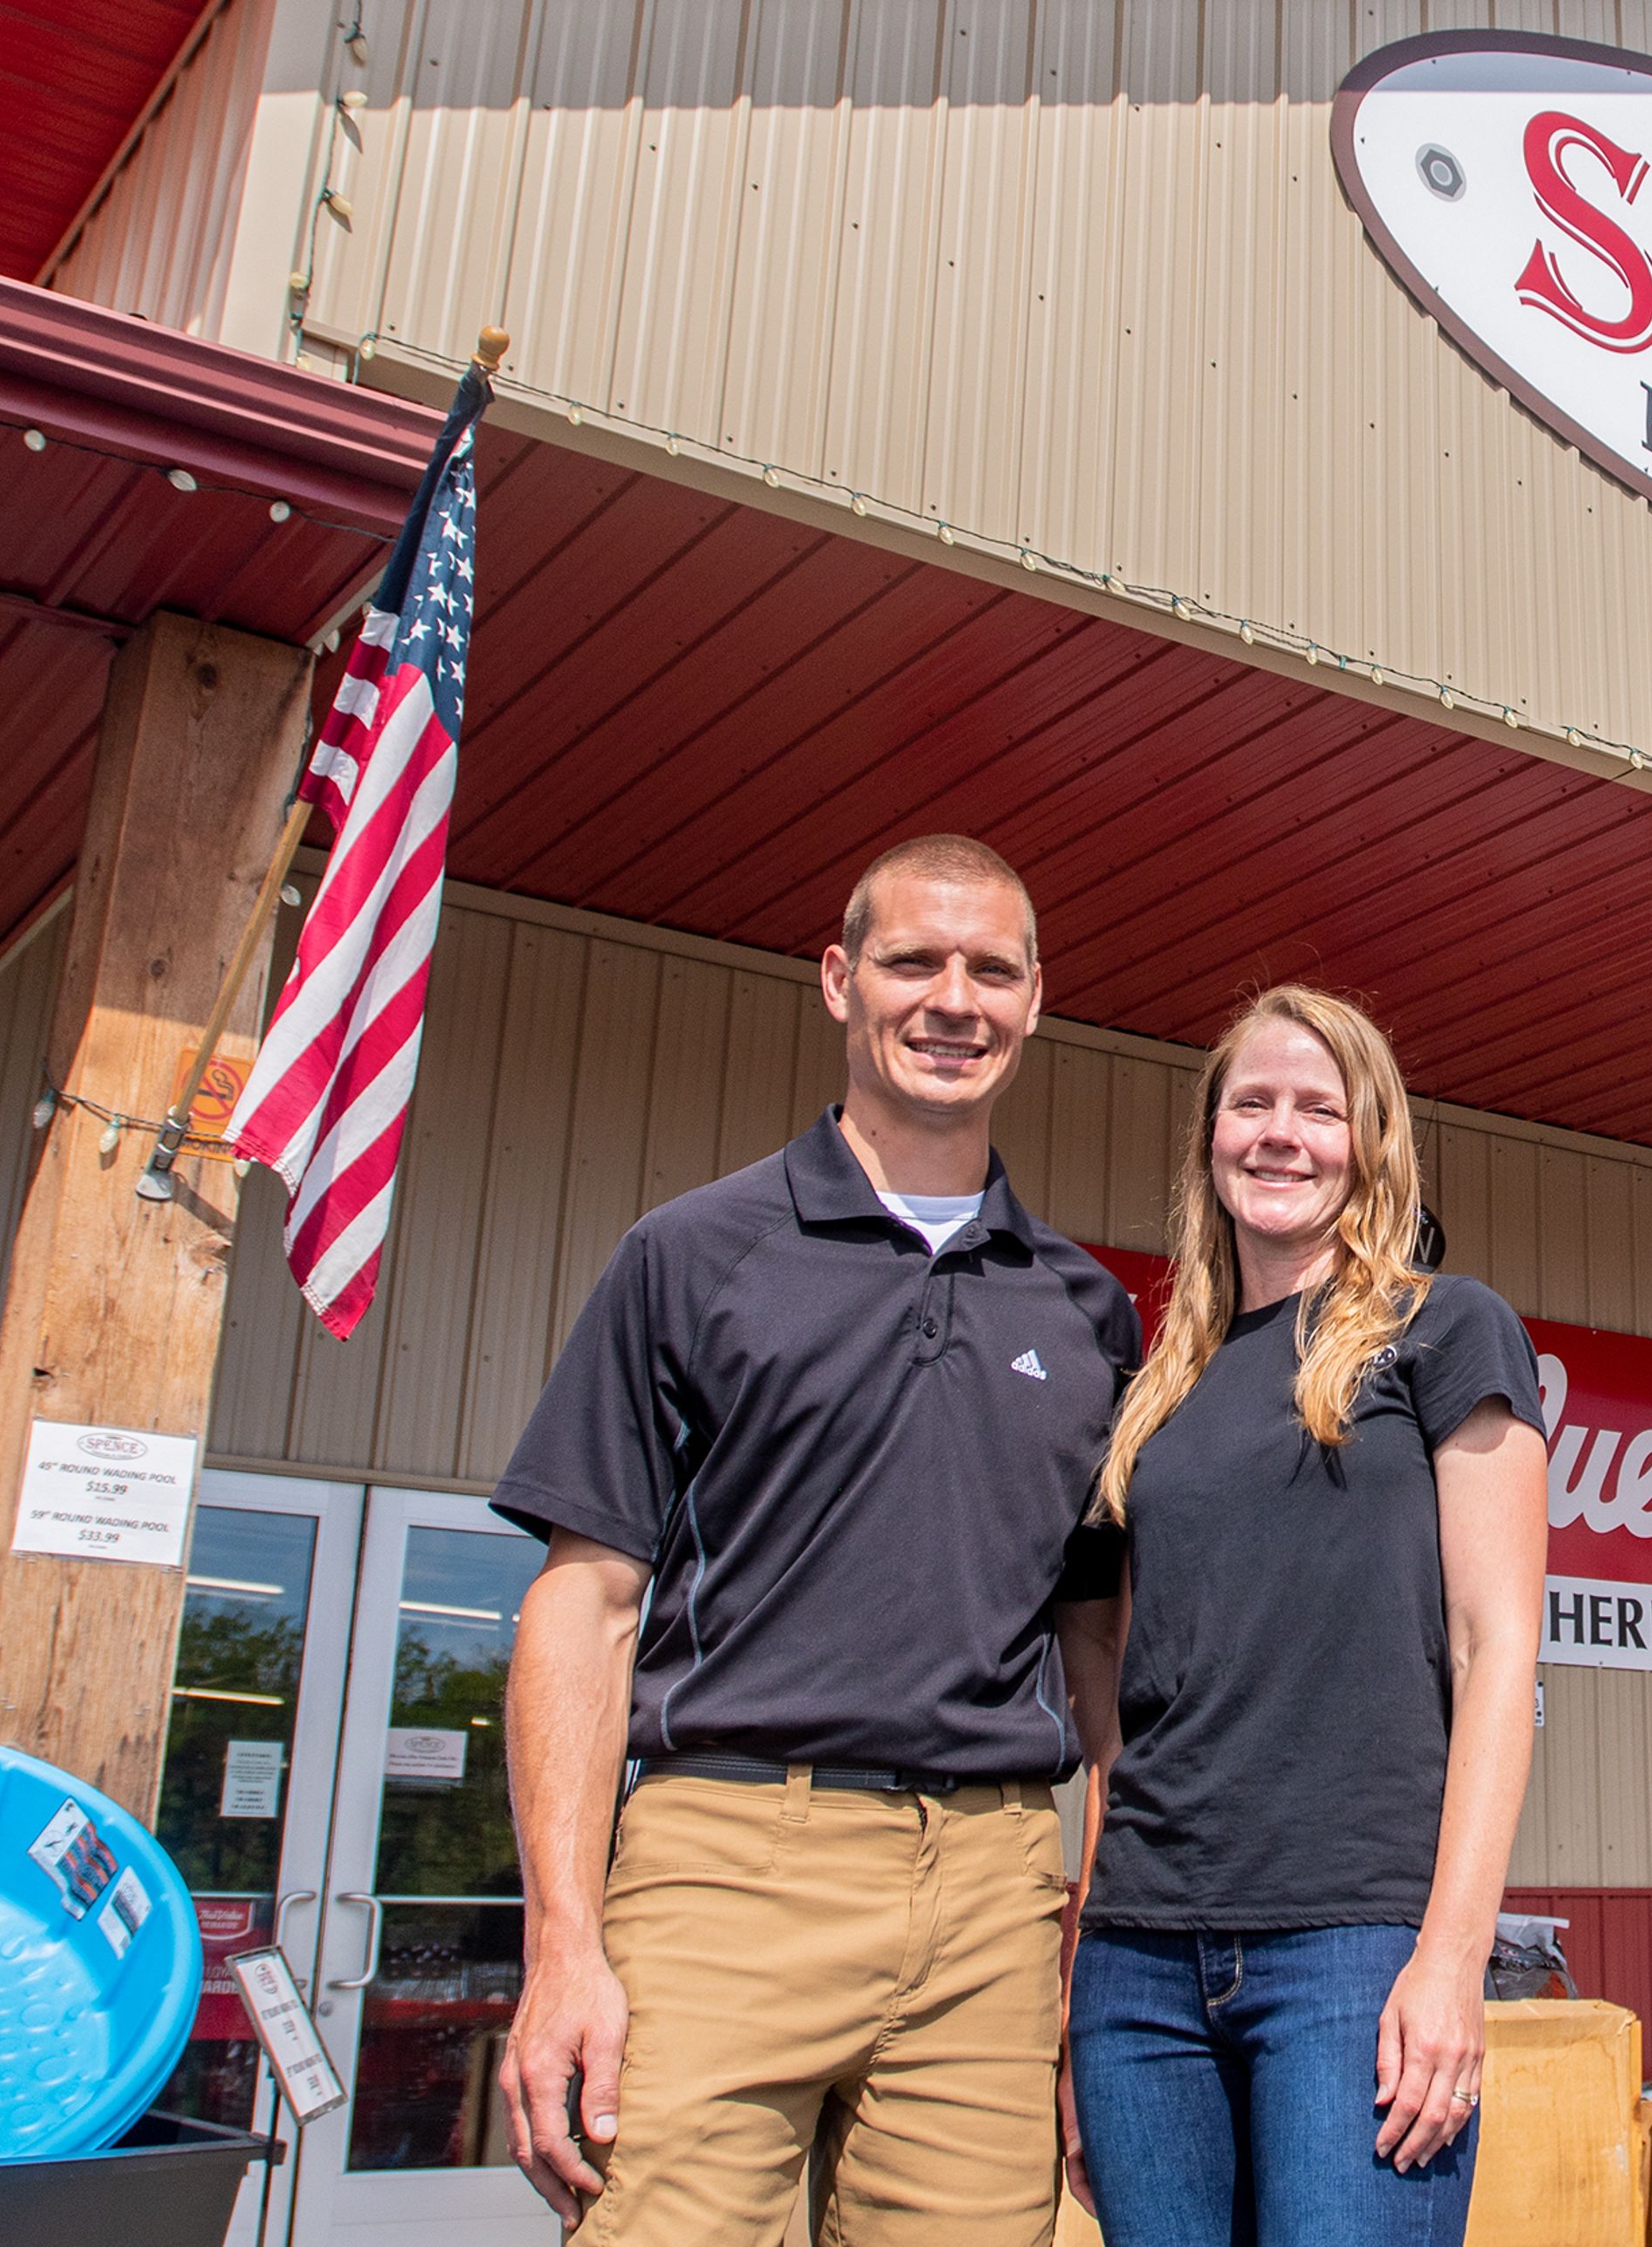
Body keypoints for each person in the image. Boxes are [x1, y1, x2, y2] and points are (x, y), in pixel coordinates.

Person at [489, 834, 1136, 2245]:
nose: (951, 998)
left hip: (994, 1892)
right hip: (727, 1859)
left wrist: (1110, 1914)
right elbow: (585, 1606)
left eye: (991, 968)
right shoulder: (692, 1253)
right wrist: (562, 1945)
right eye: (913, 961)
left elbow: (1096, 1641)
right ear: (840, 980)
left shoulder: (1089, 1313)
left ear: (1036, 1002)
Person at [1061, 985, 1552, 2246]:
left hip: (1354, 1958)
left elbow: (1499, 1651)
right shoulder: (1157, 1389)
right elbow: (1117, 1692)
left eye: (1318, 1108)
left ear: (1371, 1139)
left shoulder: (1443, 1331)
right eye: (1252, 1103)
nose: (1281, 1134)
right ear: (1211, 1136)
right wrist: (1079, 1984)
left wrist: (1452, 1957)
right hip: (1140, 1969)